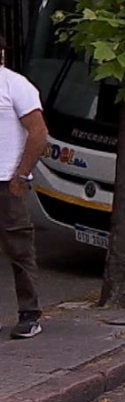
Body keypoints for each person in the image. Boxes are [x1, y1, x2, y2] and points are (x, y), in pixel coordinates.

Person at [0, 37, 48, 339]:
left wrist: (22, 175)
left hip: (7, 181)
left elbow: (39, 133)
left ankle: (30, 314)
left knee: (19, 248)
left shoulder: (15, 85)